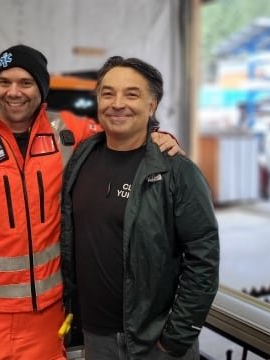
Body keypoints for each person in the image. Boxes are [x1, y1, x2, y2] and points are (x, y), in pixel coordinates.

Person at [0, 45, 180, 360]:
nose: (14, 92)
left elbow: (121, 132)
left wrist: (157, 136)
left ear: (41, 88)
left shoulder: (68, 133)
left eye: (25, 83)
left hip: (47, 314)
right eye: (5, 82)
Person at [60, 56, 220, 359]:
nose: (117, 103)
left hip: (154, 341)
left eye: (131, 94)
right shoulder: (82, 157)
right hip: (96, 337)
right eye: (107, 93)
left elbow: (204, 258)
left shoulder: (177, 171)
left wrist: (176, 336)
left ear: (152, 104)